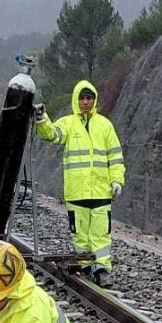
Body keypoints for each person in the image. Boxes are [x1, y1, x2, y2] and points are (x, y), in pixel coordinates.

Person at [35, 80, 125, 288]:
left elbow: (116, 156)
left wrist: (117, 180)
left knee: (101, 233)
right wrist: (42, 119)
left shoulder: (105, 125)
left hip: (101, 191)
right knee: (80, 234)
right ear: (77, 100)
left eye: (89, 98)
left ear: (94, 100)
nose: (85, 102)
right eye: (82, 98)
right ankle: (85, 266)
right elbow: (51, 134)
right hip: (77, 191)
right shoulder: (68, 123)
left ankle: (102, 269)